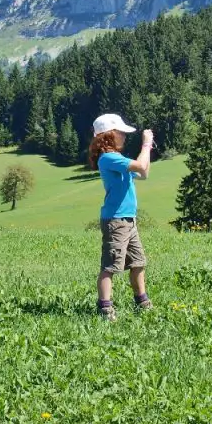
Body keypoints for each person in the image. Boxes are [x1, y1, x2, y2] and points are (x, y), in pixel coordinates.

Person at [88, 113, 153, 321]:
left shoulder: (118, 160)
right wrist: (145, 144)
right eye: (121, 133)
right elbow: (141, 167)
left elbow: (144, 174)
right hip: (115, 221)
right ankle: (105, 309)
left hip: (128, 220)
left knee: (138, 262)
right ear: (109, 135)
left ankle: (142, 302)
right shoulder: (108, 158)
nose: (125, 137)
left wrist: (147, 149)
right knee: (110, 266)